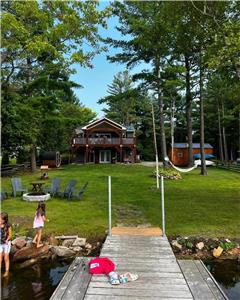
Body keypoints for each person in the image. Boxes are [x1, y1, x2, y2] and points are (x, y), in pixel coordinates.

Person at [0, 212, 12, 277]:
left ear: (4, 220)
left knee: (6, 258)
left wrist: (7, 240)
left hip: (6, 244)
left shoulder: (8, 225)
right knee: (0, 257)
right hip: (0, 244)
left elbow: (10, 235)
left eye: (1, 219)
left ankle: (7, 271)